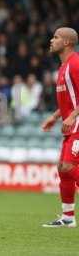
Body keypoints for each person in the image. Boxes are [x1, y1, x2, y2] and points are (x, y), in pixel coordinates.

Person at [41, 27, 79, 228]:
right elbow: (69, 101)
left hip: (78, 123)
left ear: (66, 43)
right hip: (71, 125)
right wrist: (55, 117)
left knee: (68, 166)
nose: (51, 40)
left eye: (55, 37)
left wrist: (72, 116)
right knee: (63, 169)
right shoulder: (63, 67)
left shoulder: (75, 63)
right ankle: (68, 218)